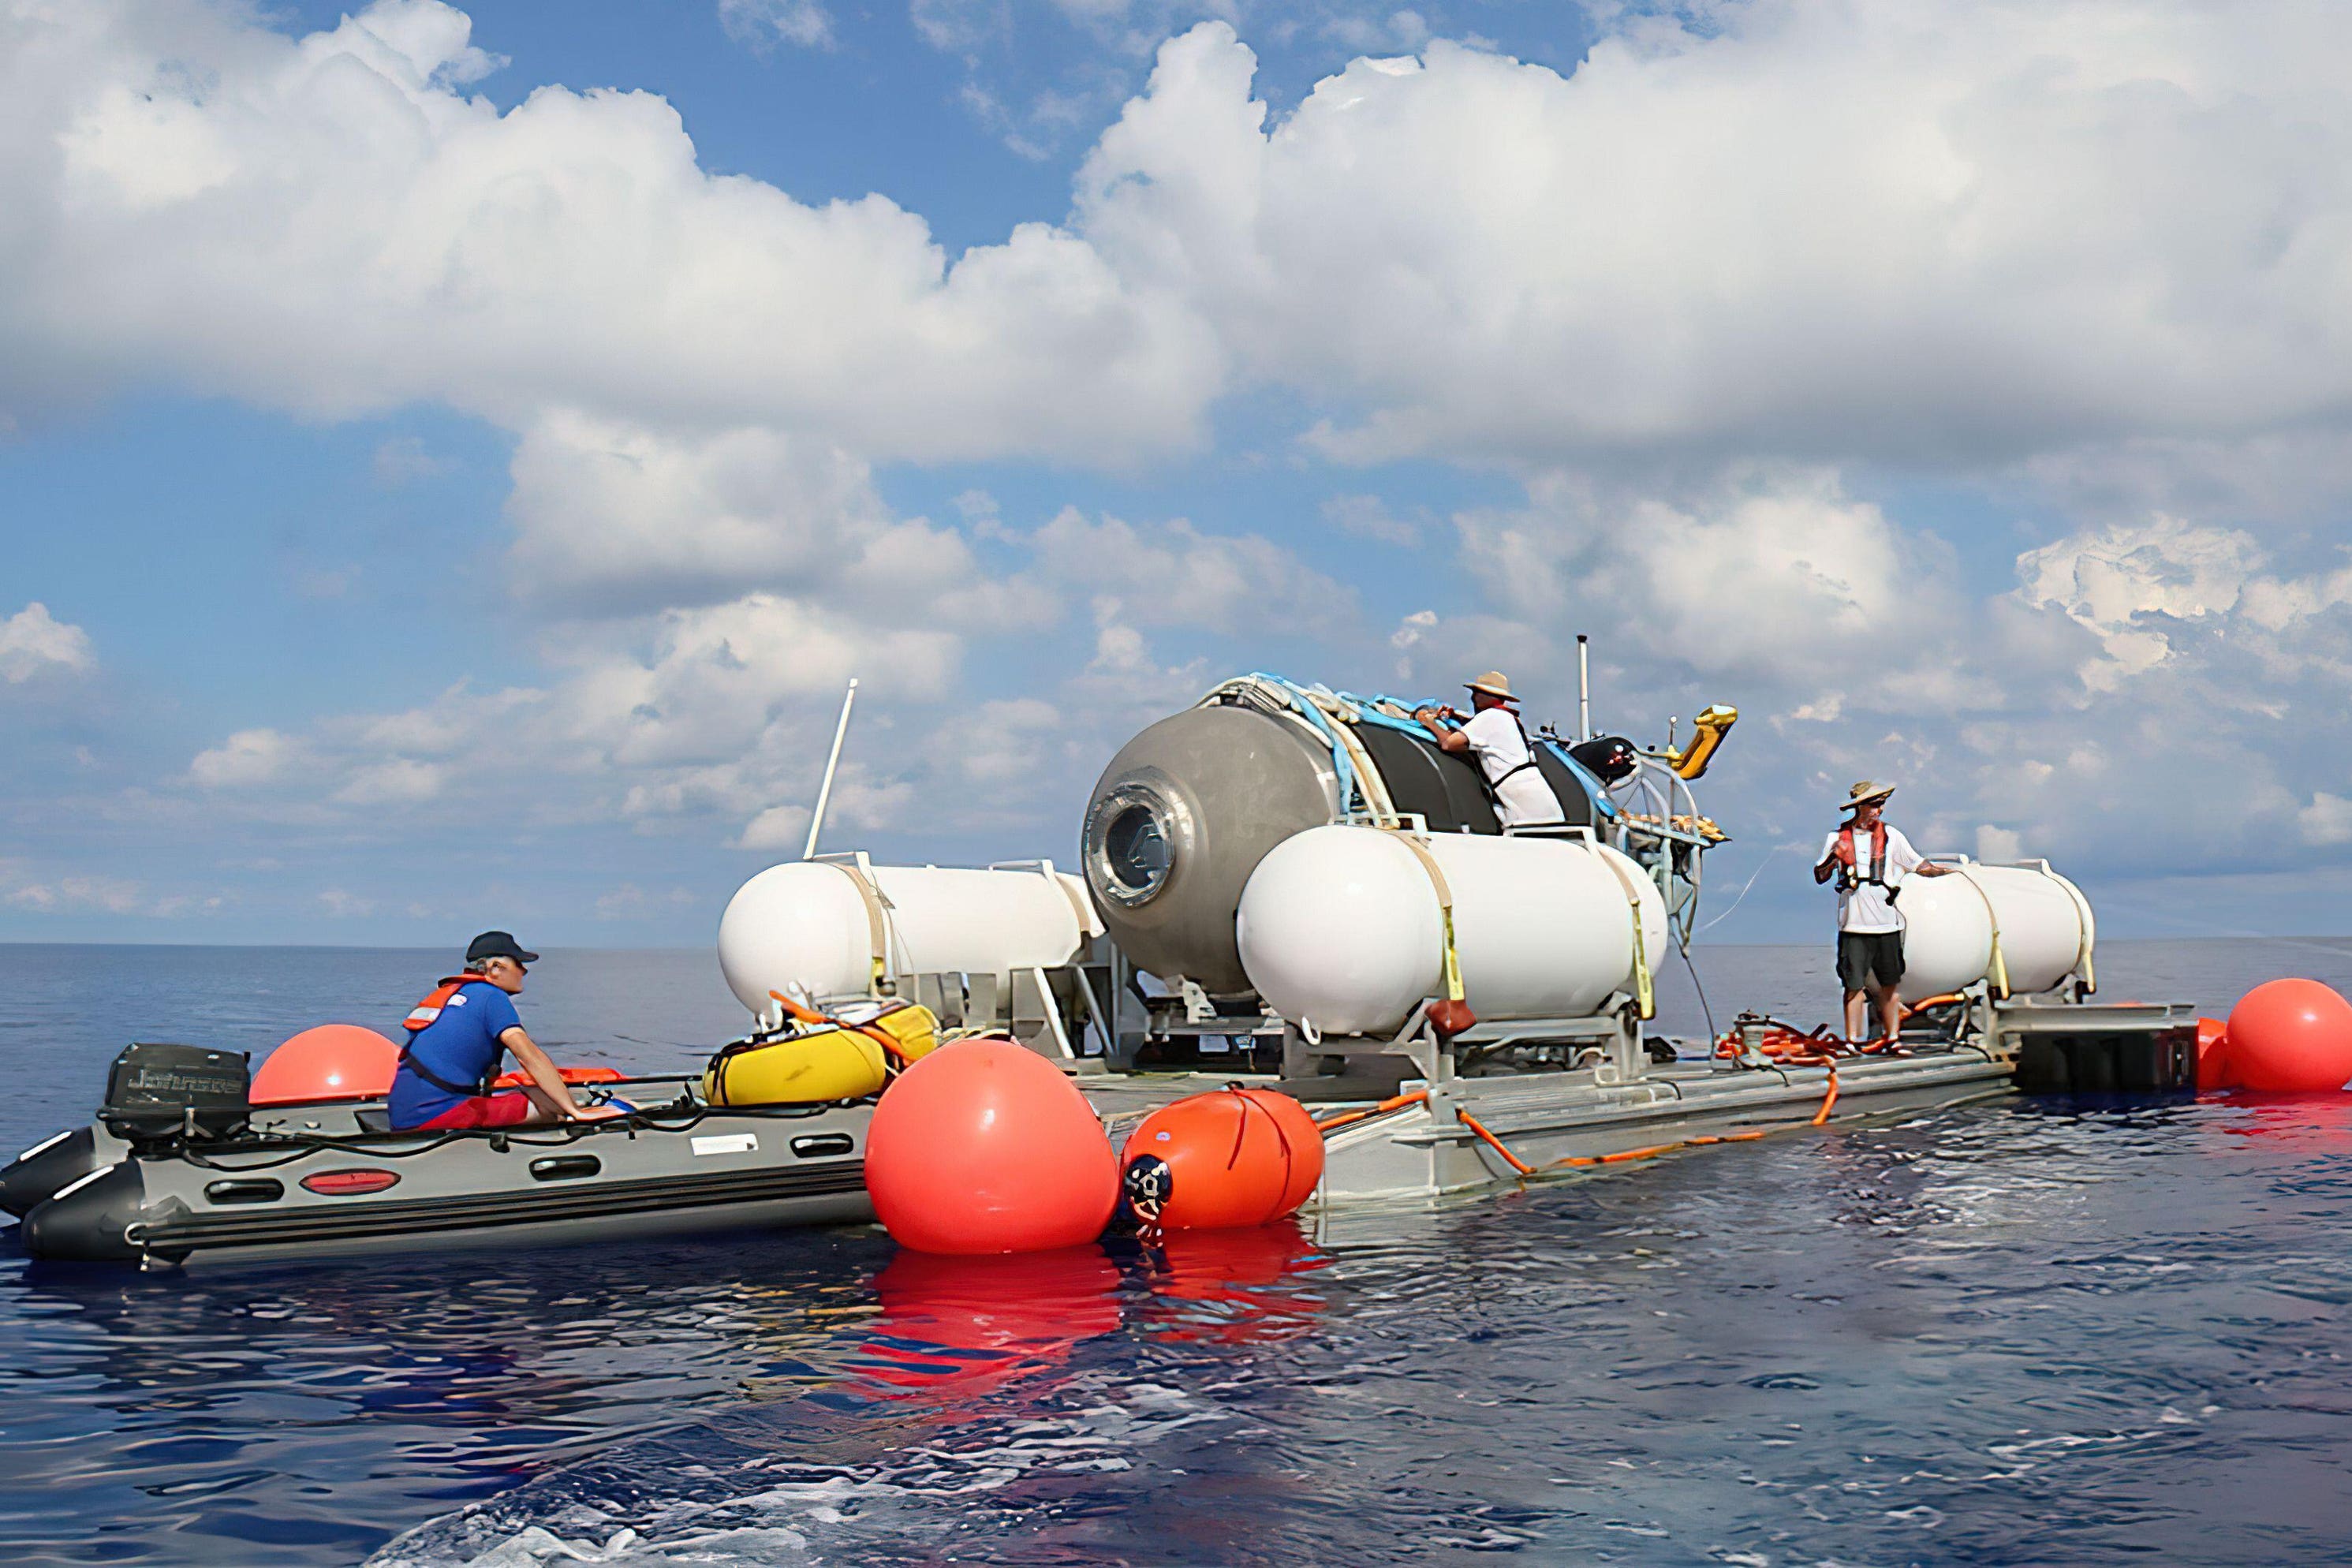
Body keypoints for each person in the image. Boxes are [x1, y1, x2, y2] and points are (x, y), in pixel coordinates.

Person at [386, 932, 602, 1130]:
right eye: (519, 964)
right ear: (496, 967)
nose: (524, 971)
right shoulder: (491, 996)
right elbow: (528, 1055)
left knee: (541, 1094)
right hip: (434, 1114)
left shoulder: (454, 994)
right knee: (549, 1108)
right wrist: (574, 1112)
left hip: (404, 1111)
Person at [1813, 782, 1952, 1045]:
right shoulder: (1836, 838)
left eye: (1881, 803)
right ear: (1860, 807)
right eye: (1874, 803)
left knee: (1890, 986)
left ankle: (1893, 1039)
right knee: (1853, 986)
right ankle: (1853, 1041)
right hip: (1853, 927)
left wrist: (1948, 874)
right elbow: (1820, 876)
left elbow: (1920, 866)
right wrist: (1834, 859)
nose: (1879, 809)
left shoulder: (1892, 836)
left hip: (1888, 925)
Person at [1414, 670, 1566, 830]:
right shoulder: (1504, 717)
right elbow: (1475, 726)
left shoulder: (1491, 716)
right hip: (1531, 796)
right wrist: (1454, 716)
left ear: (1490, 696)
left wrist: (1428, 722)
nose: (1473, 697)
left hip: (1526, 801)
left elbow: (1449, 743)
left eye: (1478, 693)